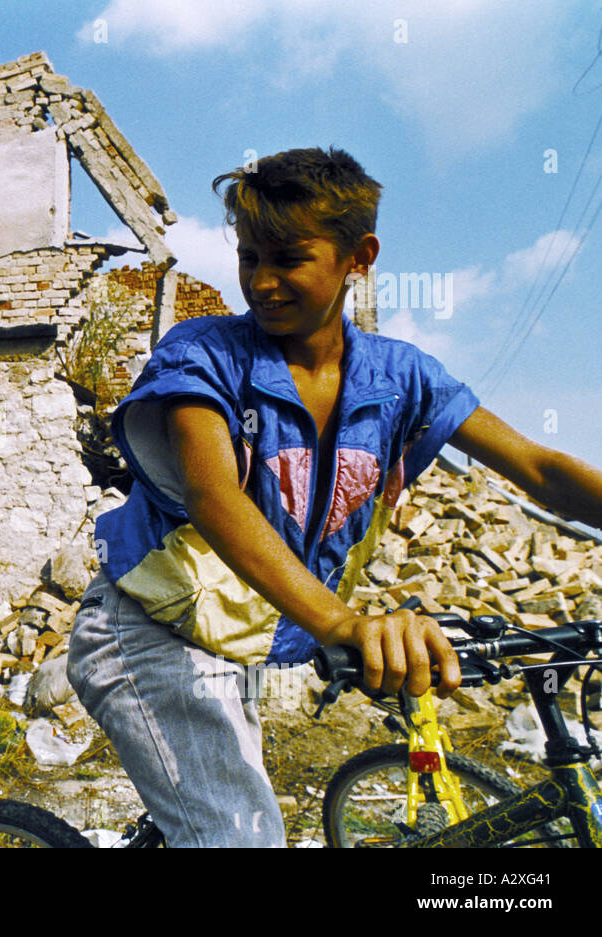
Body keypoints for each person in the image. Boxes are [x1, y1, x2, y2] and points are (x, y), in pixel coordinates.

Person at [66, 146, 602, 847]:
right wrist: (344, 623)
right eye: (249, 257)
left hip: (233, 642)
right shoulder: (203, 355)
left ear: (360, 255)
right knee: (240, 838)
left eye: (287, 259)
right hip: (146, 631)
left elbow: (540, 470)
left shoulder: (402, 377)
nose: (261, 282)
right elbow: (215, 495)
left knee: (229, 819)